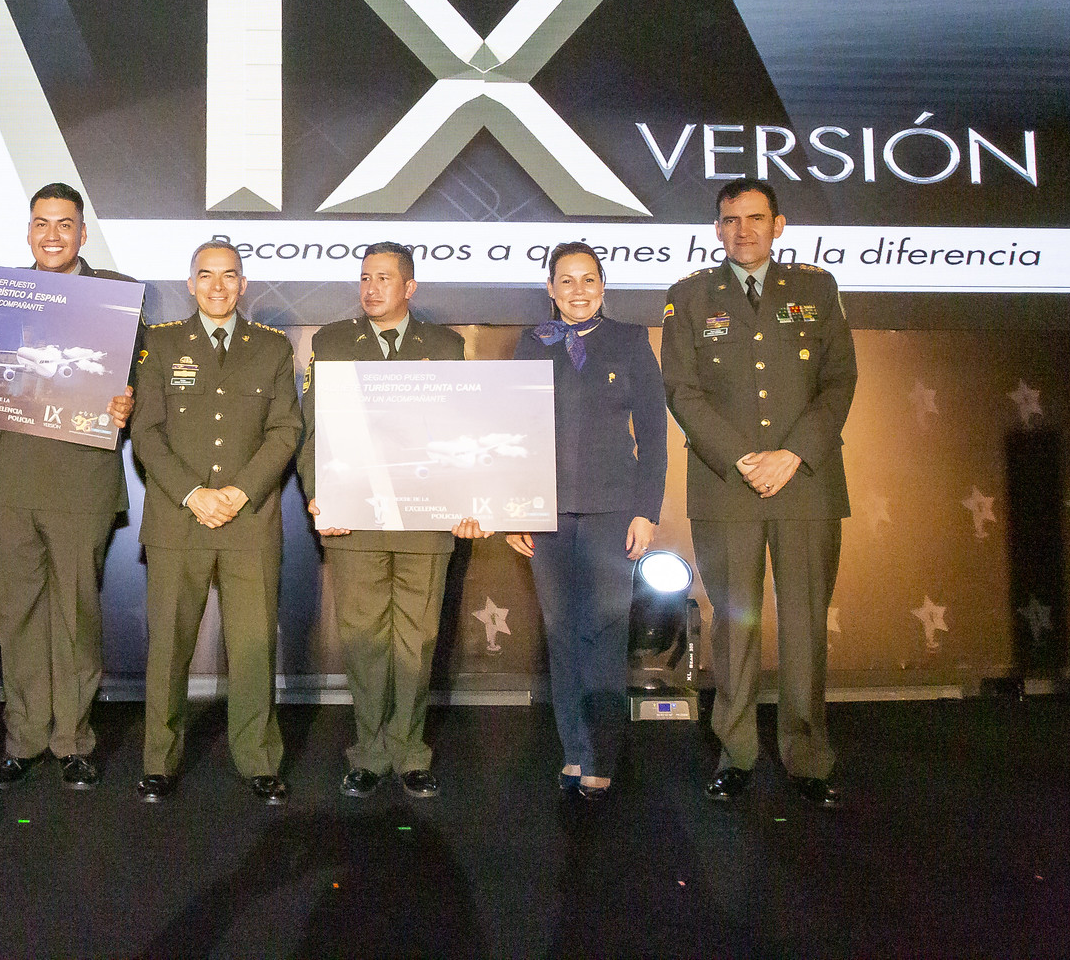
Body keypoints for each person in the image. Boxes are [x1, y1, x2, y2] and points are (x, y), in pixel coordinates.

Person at [0, 183, 139, 791]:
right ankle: (23, 739)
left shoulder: (116, 295)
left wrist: (128, 403)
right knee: (15, 617)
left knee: (76, 617)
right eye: (41, 223)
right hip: (10, 481)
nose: (52, 235)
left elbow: (138, 384)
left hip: (82, 482)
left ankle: (73, 741)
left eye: (64, 224)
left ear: (82, 232)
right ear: (28, 232)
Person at [663, 181, 856, 808]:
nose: (742, 230)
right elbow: (682, 391)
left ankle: (808, 756)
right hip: (727, 484)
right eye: (730, 220)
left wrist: (792, 454)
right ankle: (737, 753)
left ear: (779, 224)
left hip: (805, 484)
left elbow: (839, 380)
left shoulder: (816, 289)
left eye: (755, 218)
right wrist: (744, 459)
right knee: (734, 626)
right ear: (716, 229)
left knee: (805, 623)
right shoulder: (690, 296)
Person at [297, 242, 483, 801]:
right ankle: (369, 753)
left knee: (417, 641)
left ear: (410, 287)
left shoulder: (445, 346)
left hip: (425, 519)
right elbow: (313, 429)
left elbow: (462, 432)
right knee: (363, 641)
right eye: (364, 278)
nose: (371, 288)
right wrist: (320, 495)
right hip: (354, 517)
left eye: (383, 278)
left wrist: (470, 498)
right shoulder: (332, 342)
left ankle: (410, 751)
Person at [130, 239, 302, 805]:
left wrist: (239, 491)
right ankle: (159, 762)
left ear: (243, 284)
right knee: (168, 648)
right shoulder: (159, 344)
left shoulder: (272, 347)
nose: (218, 286)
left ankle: (258, 760)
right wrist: (192, 494)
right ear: (191, 283)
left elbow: (285, 430)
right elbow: (146, 433)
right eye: (207, 275)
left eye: (229, 275)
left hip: (248, 520)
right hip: (178, 519)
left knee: (253, 647)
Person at [506, 242, 667, 801]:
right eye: (567, 280)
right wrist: (513, 510)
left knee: (604, 631)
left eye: (589, 279)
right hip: (546, 513)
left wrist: (646, 510)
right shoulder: (531, 343)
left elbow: (654, 434)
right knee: (561, 633)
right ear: (550, 288)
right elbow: (515, 433)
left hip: (612, 511)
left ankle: (600, 754)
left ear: (603, 286)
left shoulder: (630, 340)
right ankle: (573, 750)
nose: (579, 290)